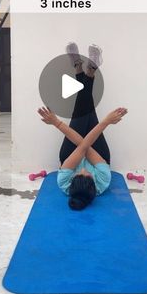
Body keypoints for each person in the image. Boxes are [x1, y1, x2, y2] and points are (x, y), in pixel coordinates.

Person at [38, 43, 127, 210]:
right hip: (98, 154)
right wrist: (105, 121)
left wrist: (56, 122)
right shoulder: (103, 180)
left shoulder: (64, 182)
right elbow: (86, 147)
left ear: (72, 181)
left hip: (72, 152)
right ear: (94, 185)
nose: (84, 169)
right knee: (86, 109)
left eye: (79, 174)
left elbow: (82, 146)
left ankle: (87, 69)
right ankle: (82, 68)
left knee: (82, 111)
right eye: (88, 175)